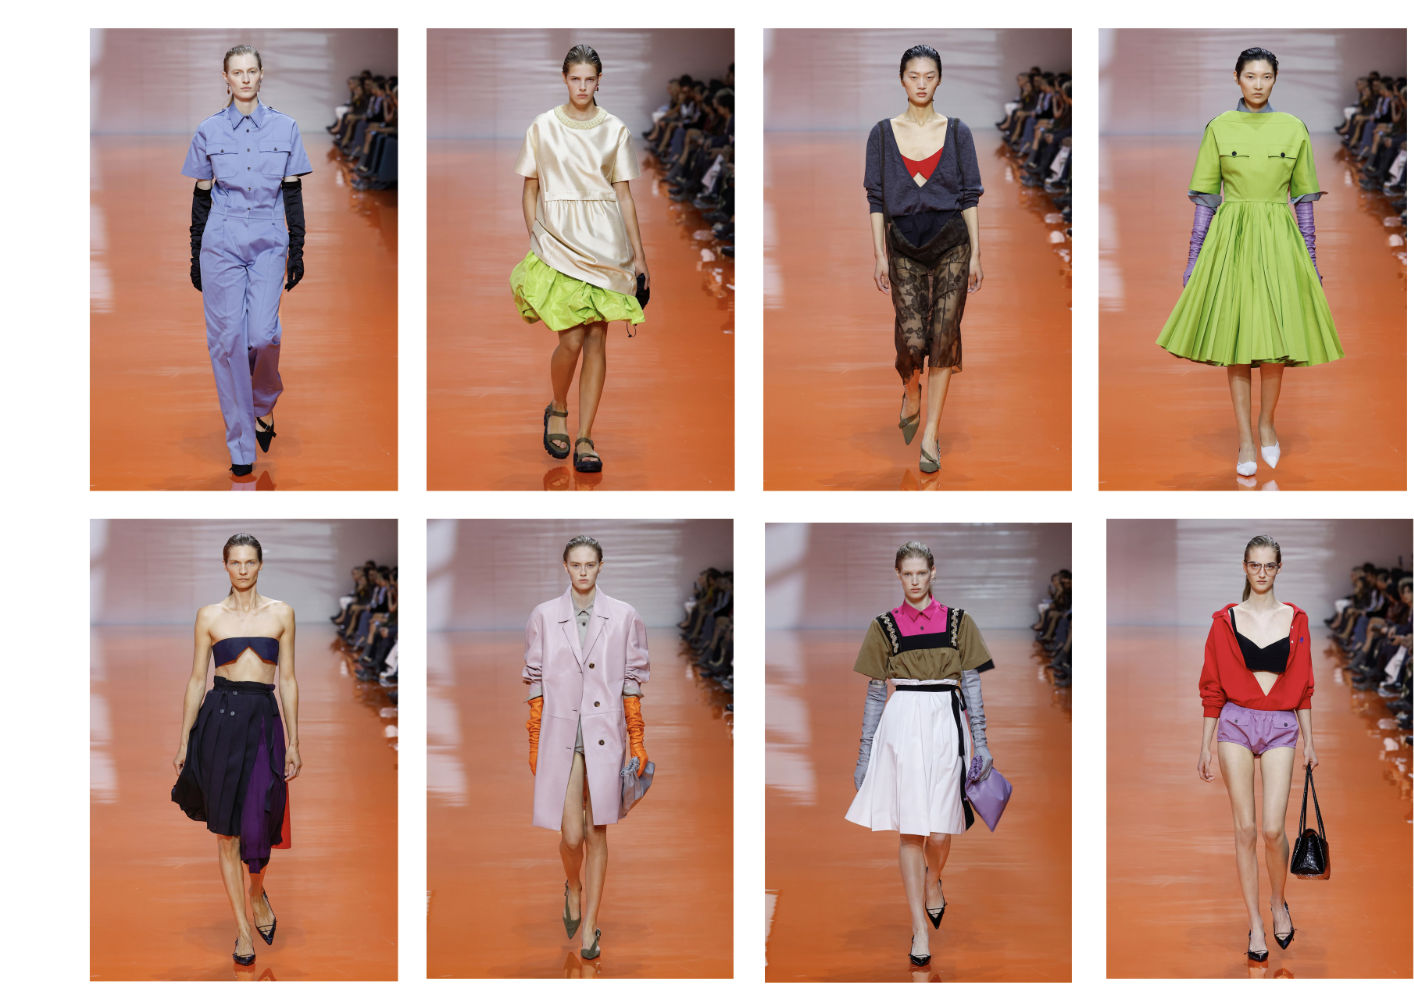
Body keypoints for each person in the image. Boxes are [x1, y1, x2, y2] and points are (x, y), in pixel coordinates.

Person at [1156, 48, 1343, 477]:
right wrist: (1194, 257)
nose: (1258, 84)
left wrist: (1311, 259)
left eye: (1266, 77)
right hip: (1232, 237)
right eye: (1251, 76)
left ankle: (1267, 424)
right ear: (1236, 78)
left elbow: (1304, 198)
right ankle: (1245, 438)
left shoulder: (1293, 128)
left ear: (1275, 79)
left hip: (1279, 238)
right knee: (1237, 342)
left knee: (1275, 340)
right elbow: (1207, 197)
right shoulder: (1219, 127)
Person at [846, 541, 995, 968]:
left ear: (933, 573)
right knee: (911, 830)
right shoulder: (883, 626)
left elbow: (972, 683)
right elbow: (876, 692)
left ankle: (934, 881)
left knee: (942, 830)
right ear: (898, 575)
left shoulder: (959, 622)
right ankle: (919, 929)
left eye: (921, 573)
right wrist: (864, 753)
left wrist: (981, 740)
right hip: (902, 724)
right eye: (907, 574)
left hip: (947, 722)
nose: (914, 581)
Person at [510, 45, 650, 474]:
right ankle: (558, 407)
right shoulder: (543, 126)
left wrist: (640, 257)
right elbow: (530, 188)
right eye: (576, 79)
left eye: (590, 79)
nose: (583, 87)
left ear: (599, 80)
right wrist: (536, 235)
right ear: (564, 78)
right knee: (570, 340)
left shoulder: (615, 130)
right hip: (557, 241)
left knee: (596, 340)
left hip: (607, 244)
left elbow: (624, 196)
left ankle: (586, 436)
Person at [171, 533, 302, 966]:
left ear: (260, 565)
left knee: (260, 823)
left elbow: (287, 679)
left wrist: (295, 740)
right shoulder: (209, 616)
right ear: (225, 565)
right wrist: (184, 739)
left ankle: (257, 892)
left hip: (263, 721)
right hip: (220, 721)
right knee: (227, 832)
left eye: (249, 562)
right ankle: (243, 930)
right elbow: (196, 679)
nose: (242, 570)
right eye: (235, 562)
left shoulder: (282, 613)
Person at [183, 45, 312, 478]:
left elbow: (292, 190)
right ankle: (241, 446)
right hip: (221, 240)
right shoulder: (208, 130)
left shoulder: (286, 127)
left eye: (251, 71)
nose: (244, 78)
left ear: (261, 75)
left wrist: (298, 247)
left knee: (262, 335)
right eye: (236, 72)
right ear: (225, 78)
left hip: (269, 239)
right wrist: (196, 252)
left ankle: (263, 401)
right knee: (228, 342)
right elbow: (202, 194)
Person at [523, 535, 651, 960]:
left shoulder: (625, 615)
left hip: (604, 735)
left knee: (597, 833)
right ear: (565, 566)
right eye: (575, 564)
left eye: (589, 565)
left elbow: (632, 680)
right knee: (572, 835)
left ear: (600, 566)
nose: (582, 572)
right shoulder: (544, 615)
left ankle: (591, 927)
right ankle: (573, 886)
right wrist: (535, 735)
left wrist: (636, 737)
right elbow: (535, 680)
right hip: (561, 733)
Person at [865, 45, 985, 475]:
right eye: (913, 76)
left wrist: (977, 253)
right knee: (913, 340)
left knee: (944, 336)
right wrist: (879, 254)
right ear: (902, 79)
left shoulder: (957, 133)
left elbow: (969, 196)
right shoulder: (883, 134)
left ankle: (931, 433)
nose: (921, 84)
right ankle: (910, 389)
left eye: (929, 76)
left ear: (939, 80)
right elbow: (876, 198)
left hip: (952, 243)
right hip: (902, 245)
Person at [1196, 535, 1317, 963]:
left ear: (1279, 568)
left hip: (1282, 723)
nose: (1261, 573)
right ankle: (1256, 923)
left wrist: (1310, 741)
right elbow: (1212, 685)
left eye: (1269, 565)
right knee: (1245, 829)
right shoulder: (1225, 620)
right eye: (1254, 565)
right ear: (1244, 567)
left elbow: (1304, 685)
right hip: (1235, 723)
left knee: (1272, 830)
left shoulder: (1296, 619)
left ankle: (1278, 901)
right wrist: (1205, 743)